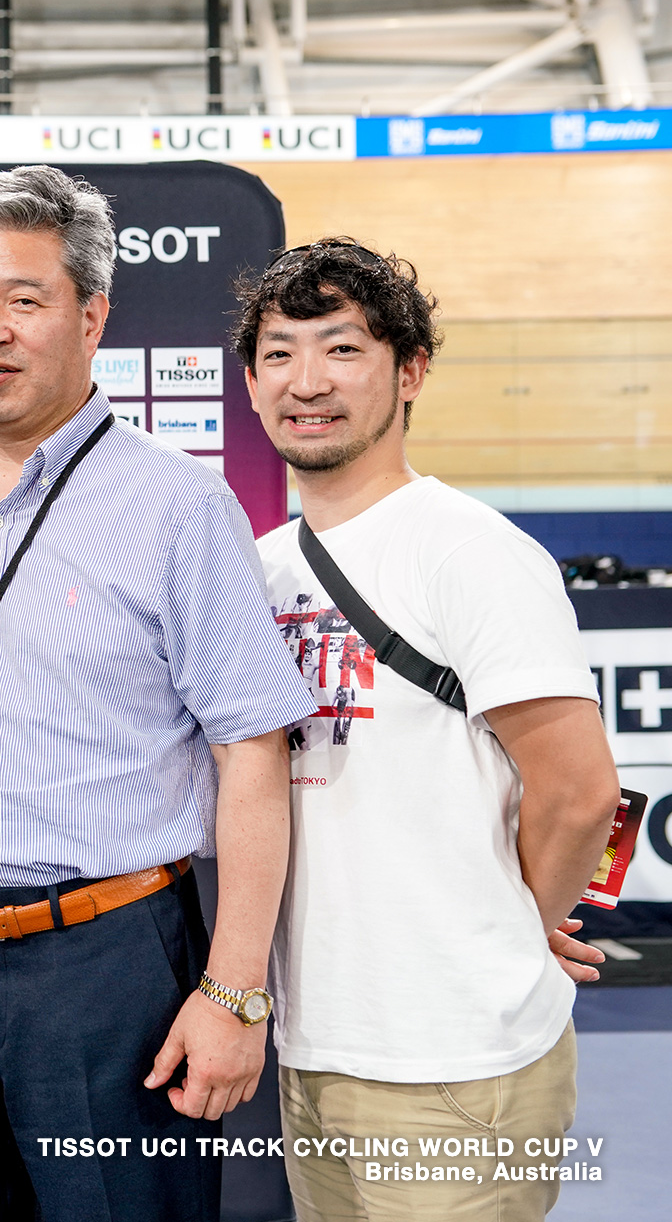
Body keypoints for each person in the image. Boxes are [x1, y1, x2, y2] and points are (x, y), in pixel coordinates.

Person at [0, 165, 320, 1222]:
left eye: (22, 299)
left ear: (91, 316)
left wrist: (233, 994)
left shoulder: (177, 505)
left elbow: (253, 753)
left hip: (106, 965)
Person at [237, 239, 622, 1221]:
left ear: (409, 371)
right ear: (249, 382)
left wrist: (515, 920)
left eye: (341, 349)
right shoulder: (259, 565)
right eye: (278, 353)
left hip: (456, 1058)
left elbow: (579, 794)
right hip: (315, 1047)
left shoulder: (472, 552)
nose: (306, 381)